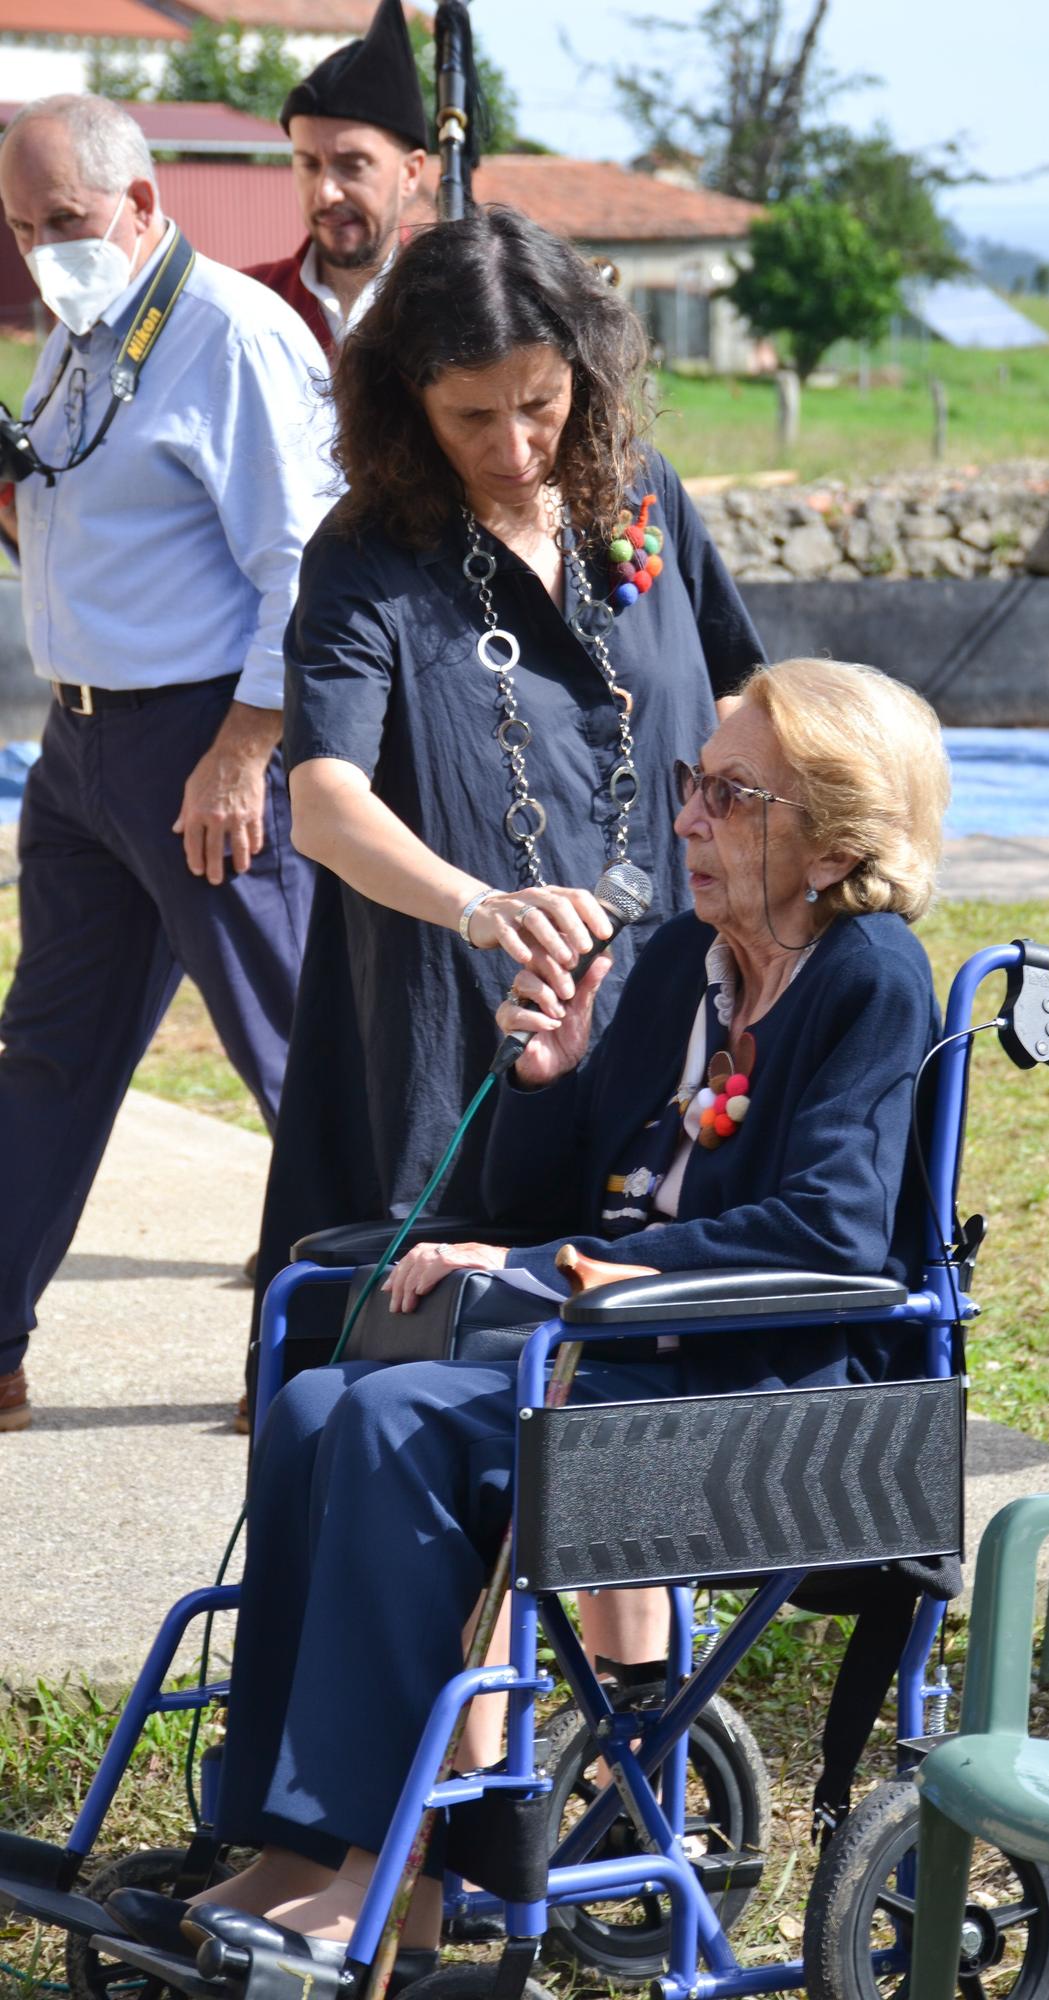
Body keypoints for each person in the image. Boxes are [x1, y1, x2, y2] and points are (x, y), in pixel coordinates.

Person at [106, 657, 950, 1963]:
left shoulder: (870, 976)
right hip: (605, 1364)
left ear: (835, 835)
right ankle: (295, 1841)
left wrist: (569, 1275)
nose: (685, 820)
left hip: (753, 1401)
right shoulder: (677, 964)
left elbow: (833, 1232)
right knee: (322, 1399)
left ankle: (404, 1879)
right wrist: (549, 1080)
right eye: (692, 784)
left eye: (730, 794)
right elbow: (542, 1196)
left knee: (396, 1425)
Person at [251, 205, 766, 1360]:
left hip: (667, 981)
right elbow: (325, 800)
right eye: (472, 415)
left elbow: (741, 695)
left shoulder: (642, 498)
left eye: (541, 404)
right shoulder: (365, 557)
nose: (517, 444)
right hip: (463, 1007)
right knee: (440, 1350)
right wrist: (477, 906)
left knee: (647, 1320)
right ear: (406, 401)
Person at [0, 94, 332, 1434]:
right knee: (47, 1055)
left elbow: (301, 564)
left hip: (203, 738)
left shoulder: (234, 336)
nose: (41, 251)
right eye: (20, 230)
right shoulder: (76, 330)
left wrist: (244, 750)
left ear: (142, 205)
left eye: (65, 223)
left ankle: (321, 1354)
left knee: (299, 1059)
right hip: (80, 742)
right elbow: (91, 518)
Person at [245, 0, 428, 355]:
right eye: (310, 165)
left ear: (409, 173)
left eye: (353, 164)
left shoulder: (456, 304)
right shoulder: (247, 302)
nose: (326, 193)